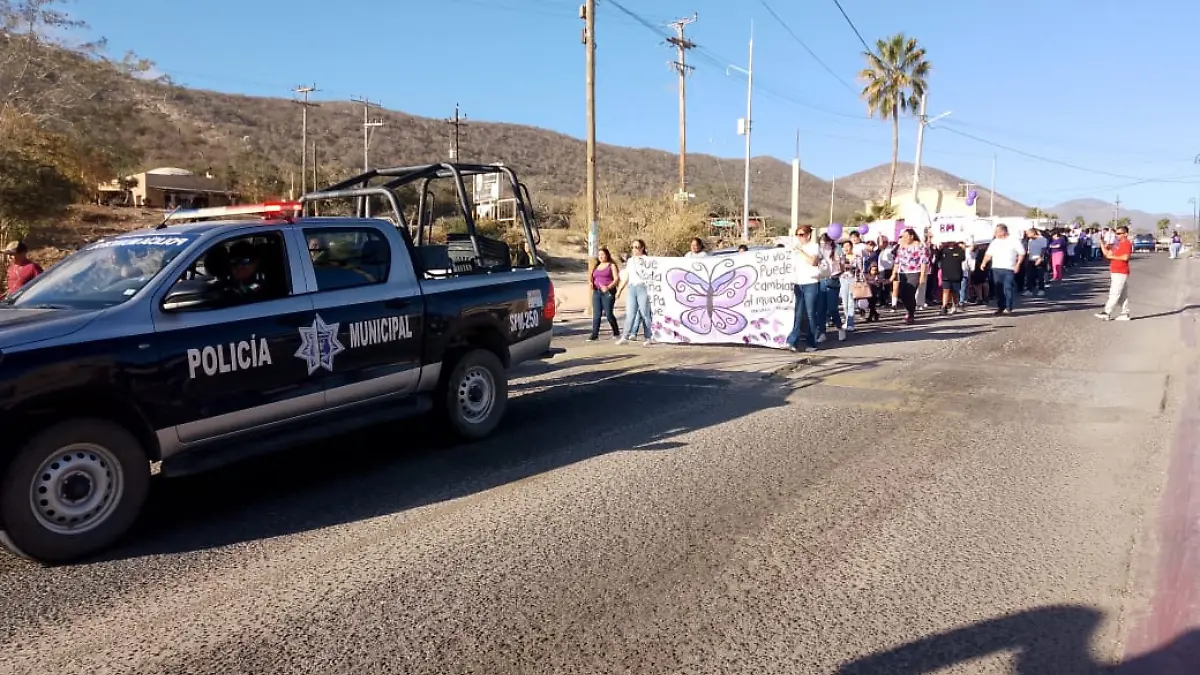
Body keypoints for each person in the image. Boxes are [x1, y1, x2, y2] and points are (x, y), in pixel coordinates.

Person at [785, 225, 822, 353]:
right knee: (798, 313)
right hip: (798, 283)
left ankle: (812, 343)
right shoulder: (794, 249)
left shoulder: (814, 247)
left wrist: (800, 250)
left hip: (810, 282)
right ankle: (792, 341)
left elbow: (813, 262)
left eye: (801, 235)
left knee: (810, 314)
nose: (799, 237)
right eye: (797, 235)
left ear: (808, 235)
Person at [979, 223, 1025, 316]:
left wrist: (1018, 265)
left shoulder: (1014, 240)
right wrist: (984, 263)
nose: (995, 233)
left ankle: (1008, 307)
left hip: (1009, 268)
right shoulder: (995, 242)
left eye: (997, 231)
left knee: (1007, 287)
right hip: (996, 268)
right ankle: (1001, 307)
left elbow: (1022, 253)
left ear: (1003, 231)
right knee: (998, 288)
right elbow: (988, 254)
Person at [616, 239, 653, 346]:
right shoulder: (631, 261)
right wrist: (619, 290)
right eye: (633, 247)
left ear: (642, 248)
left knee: (645, 313)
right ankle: (625, 336)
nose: (634, 249)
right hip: (632, 287)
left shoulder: (647, 260)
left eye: (637, 247)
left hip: (643, 287)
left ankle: (648, 337)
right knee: (630, 313)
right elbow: (626, 276)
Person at [1095, 225, 1133, 321]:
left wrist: (1112, 257)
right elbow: (1107, 254)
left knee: (1114, 293)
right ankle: (1125, 314)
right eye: (1116, 233)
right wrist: (1102, 244)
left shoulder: (1126, 244)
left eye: (1119, 233)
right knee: (1122, 295)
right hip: (1115, 271)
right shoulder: (1118, 244)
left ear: (1125, 234)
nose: (1117, 235)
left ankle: (1106, 313)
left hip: (1121, 271)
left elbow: (1125, 257)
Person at [892, 228, 928, 325]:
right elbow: (897, 260)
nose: (904, 238)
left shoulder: (920, 246)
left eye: (905, 236)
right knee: (903, 294)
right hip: (903, 272)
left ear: (912, 236)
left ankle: (910, 313)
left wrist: (922, 275)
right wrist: (893, 273)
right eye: (902, 237)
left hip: (915, 272)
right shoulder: (901, 246)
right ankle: (909, 309)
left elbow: (924, 261)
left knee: (910, 293)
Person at [587, 247, 621, 341]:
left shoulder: (611, 265)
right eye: (599, 255)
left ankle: (616, 332)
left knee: (609, 314)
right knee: (596, 314)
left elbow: (616, 279)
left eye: (603, 254)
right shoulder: (596, 266)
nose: (601, 257)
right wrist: (591, 282)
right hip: (597, 291)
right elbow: (592, 276)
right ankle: (594, 334)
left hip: (608, 292)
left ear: (607, 255)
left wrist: (608, 287)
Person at [936, 239, 966, 315]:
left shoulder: (959, 249)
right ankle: (944, 307)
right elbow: (937, 258)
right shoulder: (943, 250)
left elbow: (962, 258)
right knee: (946, 290)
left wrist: (963, 249)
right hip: (946, 274)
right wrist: (938, 248)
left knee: (954, 292)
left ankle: (954, 306)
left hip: (956, 274)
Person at [1023, 227, 1048, 297]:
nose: (1027, 235)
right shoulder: (1030, 240)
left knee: (1040, 276)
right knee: (1029, 276)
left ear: (1033, 233)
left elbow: (1044, 249)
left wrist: (1040, 258)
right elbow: (1029, 250)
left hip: (1039, 259)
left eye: (1028, 234)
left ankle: (1041, 290)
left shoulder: (1042, 239)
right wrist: (1027, 259)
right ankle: (1029, 290)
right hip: (1031, 259)